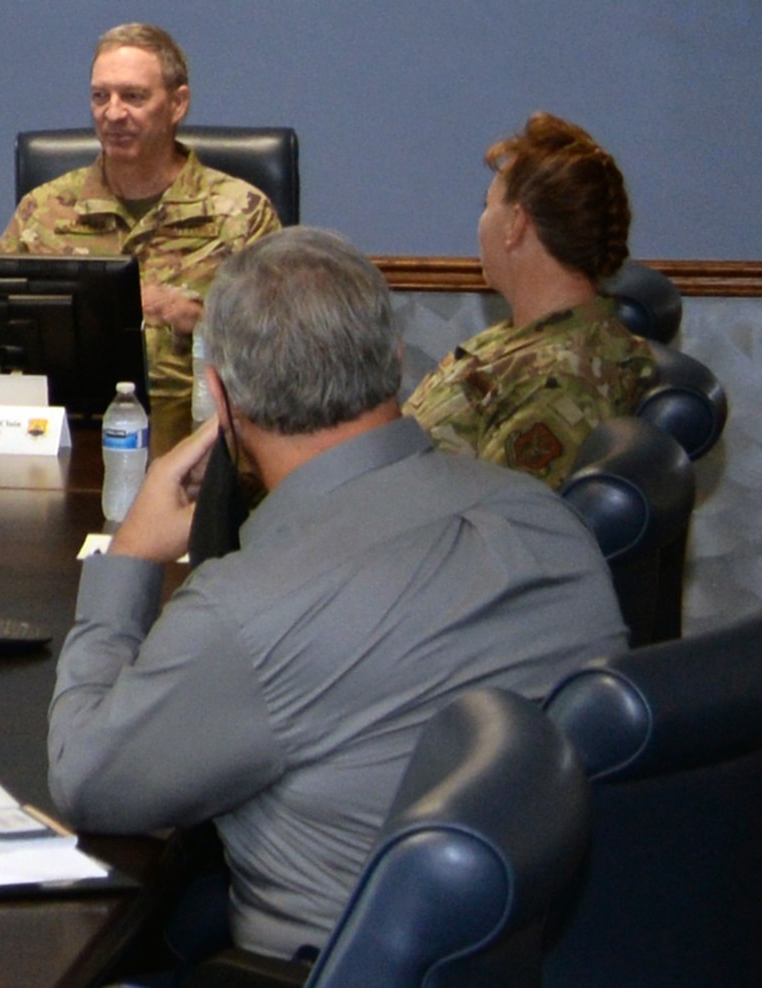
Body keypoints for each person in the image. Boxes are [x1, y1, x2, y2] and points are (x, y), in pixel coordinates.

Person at [47, 228, 625, 961]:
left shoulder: (244, 611)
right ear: (395, 360)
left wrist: (129, 556)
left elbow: (86, 780)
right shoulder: (551, 520)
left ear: (219, 398)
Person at [0, 22, 280, 452]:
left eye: (133, 96)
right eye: (100, 97)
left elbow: (285, 354)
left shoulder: (241, 213)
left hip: (201, 448)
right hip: (66, 441)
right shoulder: (44, 211)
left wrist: (194, 320)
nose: (113, 113)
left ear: (177, 103)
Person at [406, 112, 656, 489]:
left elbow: (499, 531)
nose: (482, 221)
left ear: (516, 225)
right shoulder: (525, 337)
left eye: (487, 206)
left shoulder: (557, 384)